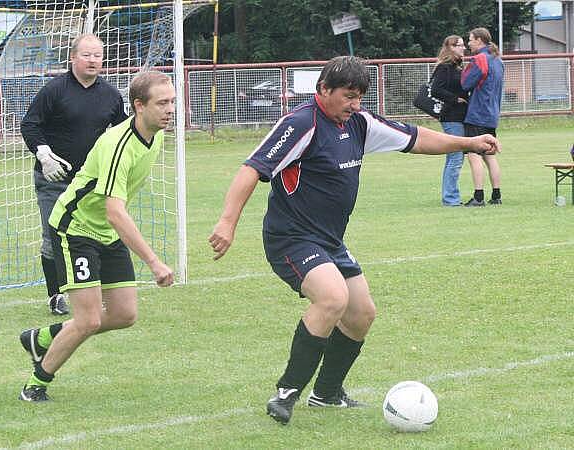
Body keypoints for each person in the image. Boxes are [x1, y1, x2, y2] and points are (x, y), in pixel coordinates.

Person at [209, 56, 500, 425]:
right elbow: (253, 168)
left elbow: (416, 138)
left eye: (360, 97)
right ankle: (286, 391)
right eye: (348, 96)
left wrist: (469, 142)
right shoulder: (301, 123)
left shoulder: (360, 123)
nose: (355, 105)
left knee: (362, 314)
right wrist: (227, 222)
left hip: (329, 240)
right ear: (323, 90)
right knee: (332, 298)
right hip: (291, 237)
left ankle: (327, 394)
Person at [18, 71, 175, 402]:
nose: (170, 109)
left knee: (124, 314)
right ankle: (36, 383)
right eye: (162, 103)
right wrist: (154, 262)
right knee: (87, 319)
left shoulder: (157, 135)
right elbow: (115, 211)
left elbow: (112, 215)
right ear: (138, 106)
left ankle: (43, 338)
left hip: (104, 230)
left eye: (172, 102)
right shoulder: (117, 144)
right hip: (75, 228)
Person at [21, 34, 127, 315]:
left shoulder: (112, 96)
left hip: (92, 183)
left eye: (97, 55)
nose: (93, 60)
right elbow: (30, 124)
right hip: (54, 180)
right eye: (86, 55)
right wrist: (44, 155)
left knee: (97, 235)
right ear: (73, 58)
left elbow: (122, 134)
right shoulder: (54, 90)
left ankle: (100, 293)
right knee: (52, 236)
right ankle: (55, 295)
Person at [461, 27, 504, 206]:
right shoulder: (498, 60)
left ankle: (478, 197)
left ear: (479, 40)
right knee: (489, 156)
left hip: (477, 114)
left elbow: (465, 83)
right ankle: (496, 196)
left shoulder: (479, 59)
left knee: (473, 154)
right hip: (492, 115)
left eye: (470, 40)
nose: (468, 43)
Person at [431, 35, 469, 206]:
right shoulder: (445, 67)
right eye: (460, 45)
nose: (464, 48)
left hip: (459, 116)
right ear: (451, 47)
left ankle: (449, 196)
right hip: (451, 116)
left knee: (453, 157)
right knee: (456, 157)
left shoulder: (456, 67)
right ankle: (451, 198)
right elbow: (436, 90)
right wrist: (455, 99)